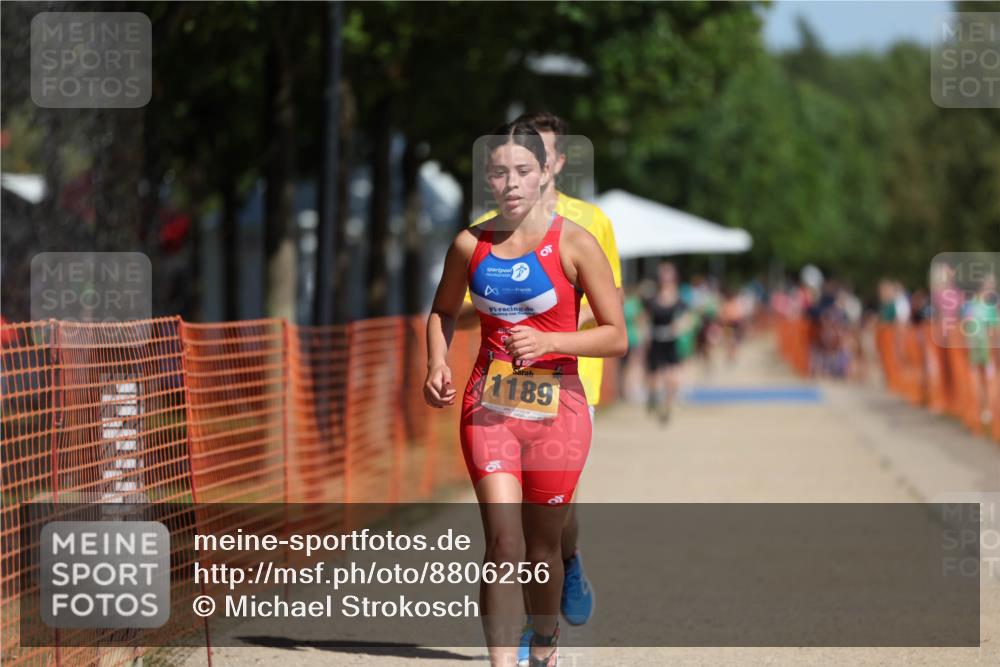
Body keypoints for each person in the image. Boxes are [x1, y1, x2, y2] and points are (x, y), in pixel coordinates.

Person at [424, 121, 626, 667]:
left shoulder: (578, 243)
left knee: (542, 551)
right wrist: (437, 362)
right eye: (498, 172)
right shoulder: (470, 243)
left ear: (544, 174)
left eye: (521, 171)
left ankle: (544, 640)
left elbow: (616, 334)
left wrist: (551, 340)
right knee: (503, 546)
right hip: (487, 409)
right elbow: (443, 311)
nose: (510, 183)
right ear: (487, 179)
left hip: (559, 411)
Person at [643, 261, 689, 425]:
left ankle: (667, 408)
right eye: (663, 275)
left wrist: (679, 328)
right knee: (654, 377)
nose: (666, 278)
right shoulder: (652, 298)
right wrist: (646, 335)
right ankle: (653, 399)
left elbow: (686, 318)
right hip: (655, 341)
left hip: (670, 340)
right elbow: (645, 319)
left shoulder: (678, 299)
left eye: (668, 275)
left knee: (671, 377)